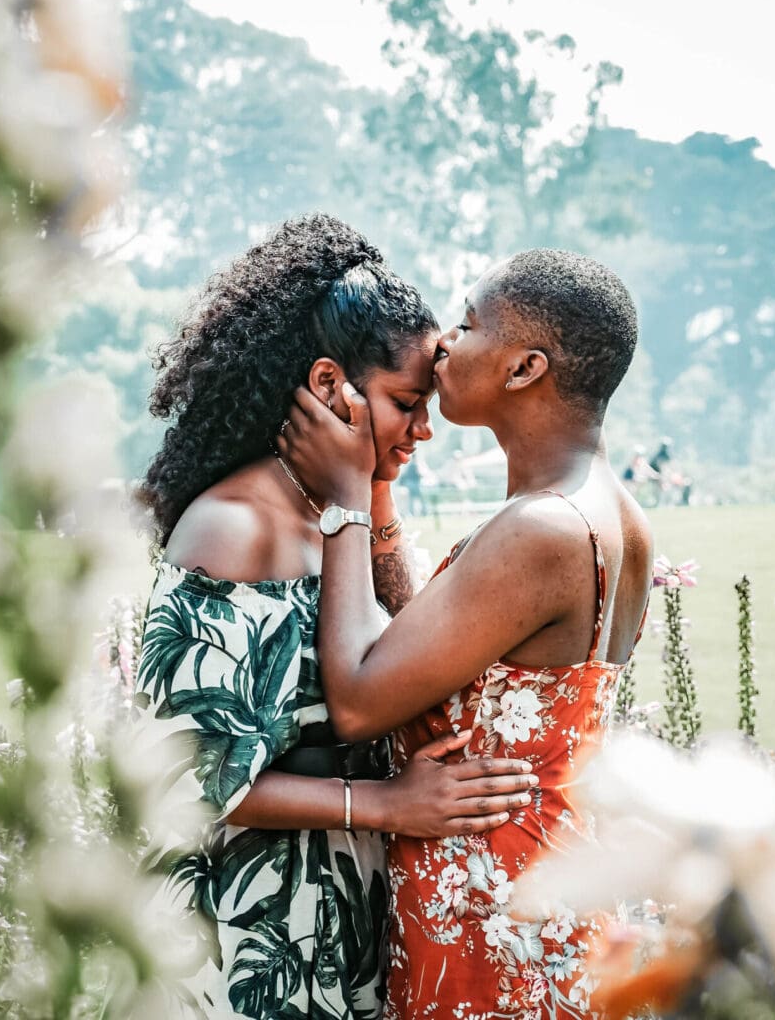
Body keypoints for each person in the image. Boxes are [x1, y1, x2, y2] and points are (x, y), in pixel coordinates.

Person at [135, 215, 538, 1019]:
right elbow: (188, 776)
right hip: (243, 936)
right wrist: (388, 805)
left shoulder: (334, 521)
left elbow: (411, 652)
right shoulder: (232, 529)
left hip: (339, 916)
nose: (424, 429)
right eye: (405, 403)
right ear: (329, 387)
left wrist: (366, 491)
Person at [279, 248, 653, 1019]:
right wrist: (381, 486)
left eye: (468, 323)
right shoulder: (612, 513)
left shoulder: (543, 529)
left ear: (523, 369)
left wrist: (345, 493)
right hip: (538, 886)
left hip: (493, 914)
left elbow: (357, 698)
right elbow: (436, 651)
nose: (445, 342)